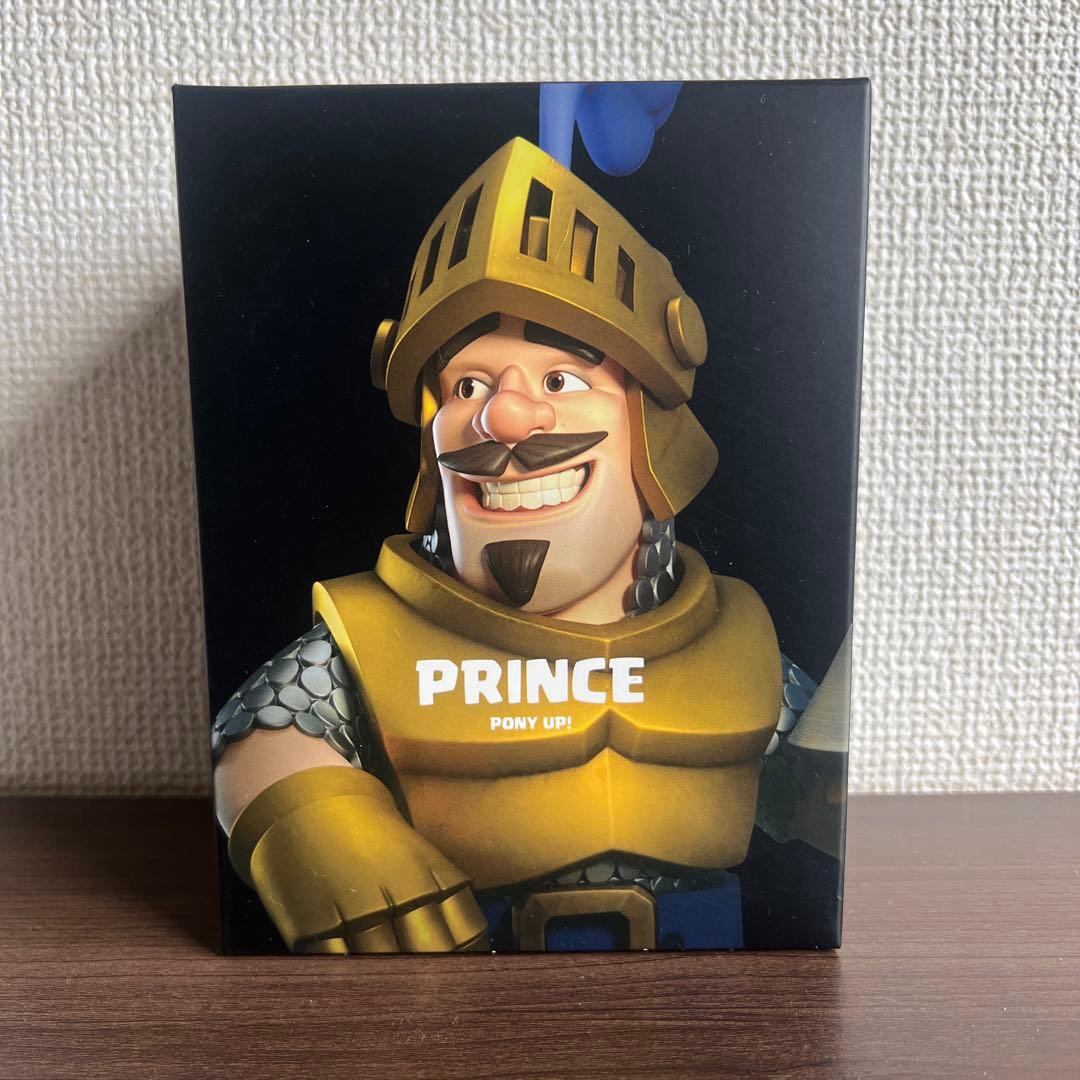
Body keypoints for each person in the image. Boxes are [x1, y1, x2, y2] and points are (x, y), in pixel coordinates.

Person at [211, 137, 842, 953]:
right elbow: (262, 731)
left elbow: (819, 795)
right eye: (469, 385)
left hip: (699, 995)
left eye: (559, 380)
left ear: (652, 432)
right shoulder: (370, 635)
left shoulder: (733, 641)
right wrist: (309, 814)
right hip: (472, 995)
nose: (503, 419)